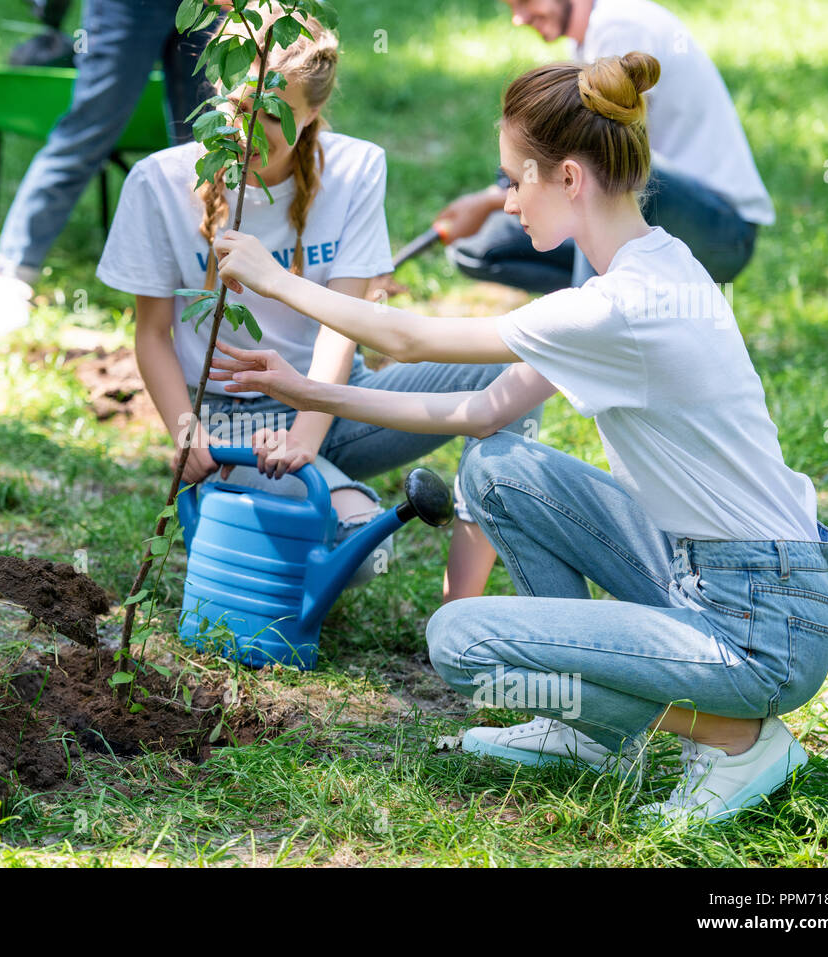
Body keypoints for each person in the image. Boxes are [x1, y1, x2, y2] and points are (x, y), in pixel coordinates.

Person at [207, 53, 828, 826]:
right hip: (726, 577)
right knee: (500, 468)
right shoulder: (654, 264)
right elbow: (482, 415)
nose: (508, 202)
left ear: (569, 178)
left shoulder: (616, 308)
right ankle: (587, 731)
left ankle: (736, 735)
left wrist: (273, 279)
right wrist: (307, 390)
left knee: (465, 643)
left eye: (516, 179)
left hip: (759, 626)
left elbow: (406, 338)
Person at [96, 12, 537, 596]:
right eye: (238, 105)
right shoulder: (159, 181)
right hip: (234, 419)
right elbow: (152, 334)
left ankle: (462, 602)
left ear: (311, 117)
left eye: (275, 114)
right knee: (345, 549)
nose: (249, 127)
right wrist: (187, 431)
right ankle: (278, 509)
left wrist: (304, 439)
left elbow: (341, 327)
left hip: (332, 397)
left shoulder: (355, 167)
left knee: (518, 371)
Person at [441, 0, 774, 292]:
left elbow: (603, 165)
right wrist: (488, 202)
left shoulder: (620, 26)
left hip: (722, 230)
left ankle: (587, 329)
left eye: (526, 1)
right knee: (476, 248)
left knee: (596, 173)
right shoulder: (588, 41)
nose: (518, 17)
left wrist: (489, 202)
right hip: (648, 213)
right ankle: (609, 310)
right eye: (511, 7)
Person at [0, 0, 219, 336]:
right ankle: (13, 276)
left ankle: (207, 277)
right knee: (88, 131)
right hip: (129, 7)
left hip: (206, 5)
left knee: (206, 143)